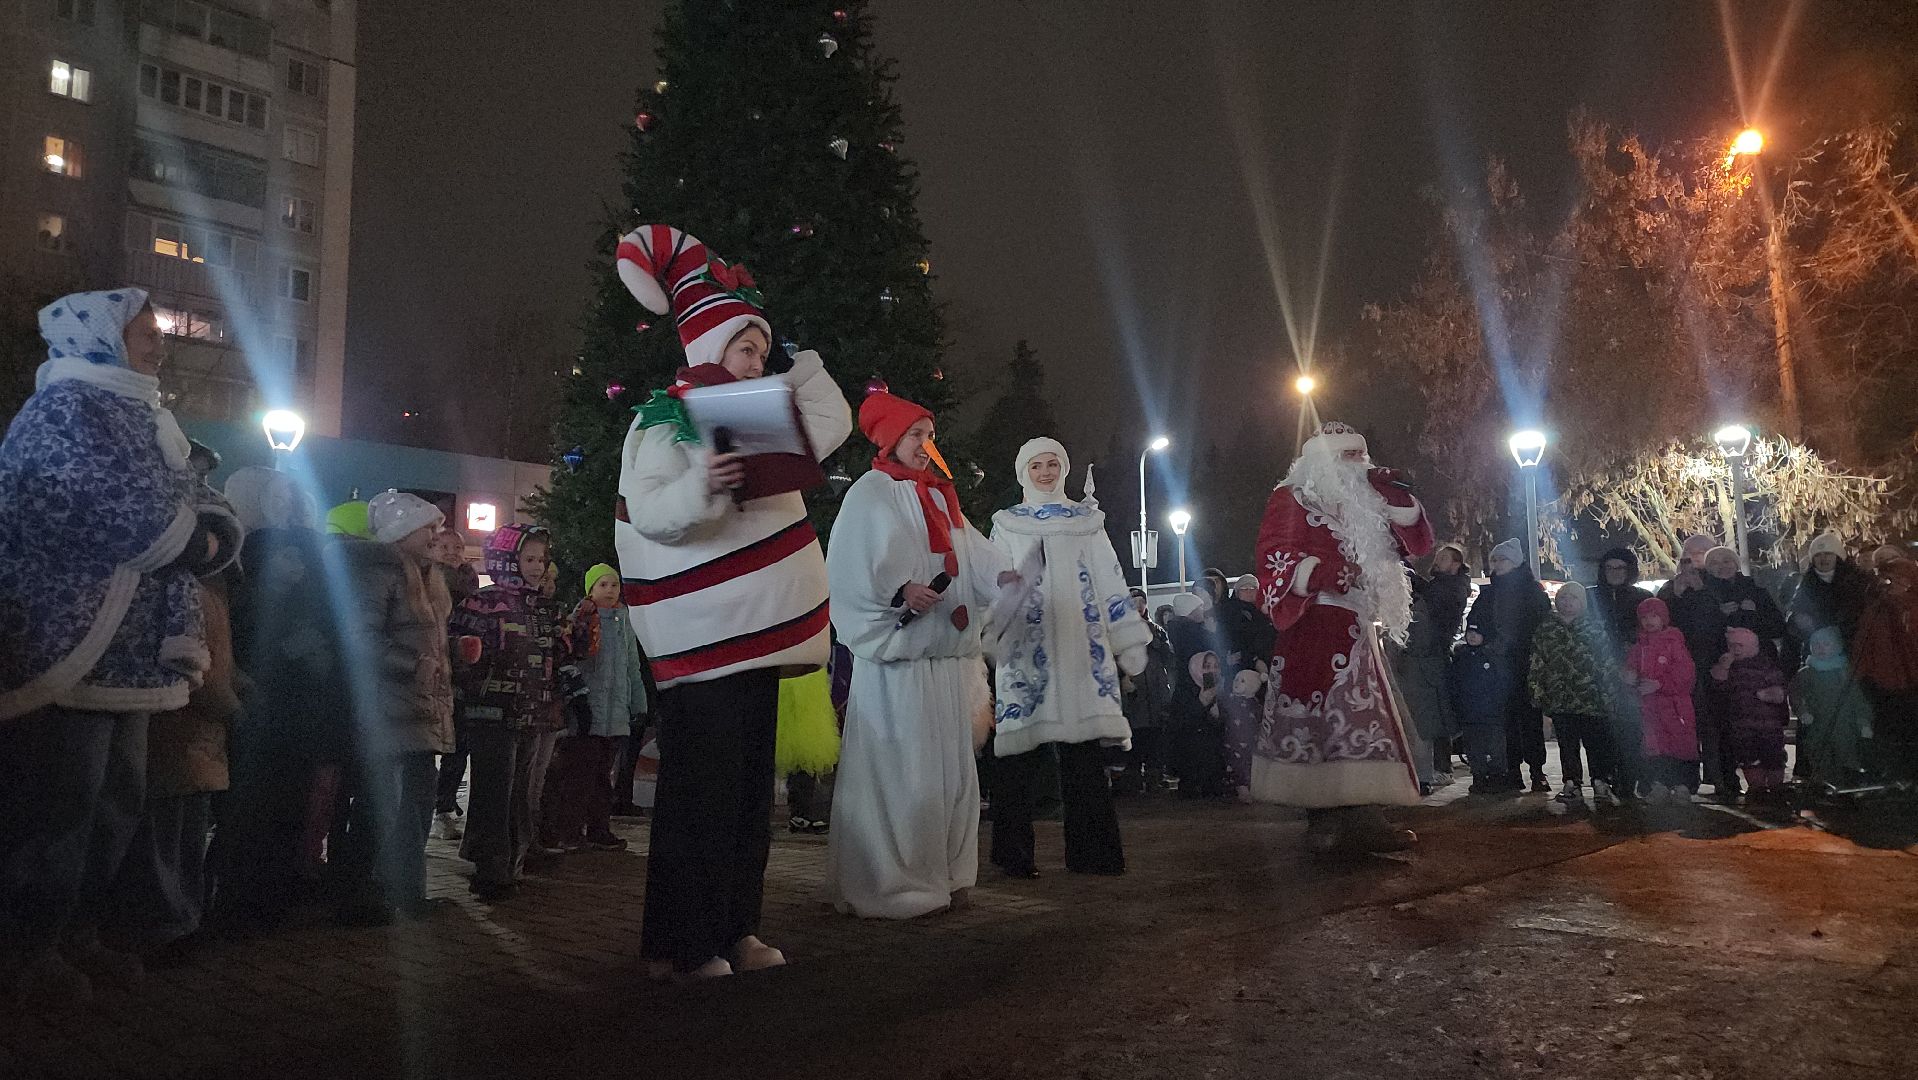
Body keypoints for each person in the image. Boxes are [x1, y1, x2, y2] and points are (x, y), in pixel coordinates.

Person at [614, 225, 851, 976]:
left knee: (750, 798)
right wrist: (701, 487)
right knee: (700, 799)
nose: (759, 360)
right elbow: (649, 512)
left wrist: (788, 357)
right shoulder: (661, 416)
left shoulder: (756, 416)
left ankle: (735, 927)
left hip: (762, 639)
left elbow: (833, 425)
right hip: (704, 642)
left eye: (761, 349)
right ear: (710, 345)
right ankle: (678, 943)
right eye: (747, 349)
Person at [1, 289, 238, 1004]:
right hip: (63, 640)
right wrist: (196, 538)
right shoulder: (67, 411)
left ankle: (74, 934)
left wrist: (205, 534)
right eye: (146, 330)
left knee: (116, 802)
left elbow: (202, 502)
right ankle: (22, 949)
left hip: (125, 653)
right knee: (60, 807)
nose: (159, 343)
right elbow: (132, 511)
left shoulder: (144, 417)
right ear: (102, 335)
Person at [825, 388, 1011, 918]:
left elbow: (973, 552)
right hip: (898, 665)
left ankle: (948, 872)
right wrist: (899, 592)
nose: (925, 445)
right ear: (891, 438)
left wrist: (1004, 577)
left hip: (945, 664)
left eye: (929, 436)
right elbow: (850, 566)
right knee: (903, 771)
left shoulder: (939, 495)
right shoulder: (868, 494)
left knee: (951, 775)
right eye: (915, 435)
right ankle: (894, 880)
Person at [1250, 421, 1435, 856]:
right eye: (1345, 457)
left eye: (1360, 455)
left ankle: (1365, 815)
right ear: (1320, 462)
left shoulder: (1367, 503)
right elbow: (1273, 555)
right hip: (1314, 623)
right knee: (1319, 720)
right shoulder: (1293, 497)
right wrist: (1325, 571)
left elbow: (1419, 544)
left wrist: (1395, 498)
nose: (1357, 464)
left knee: (1364, 721)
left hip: (1360, 625)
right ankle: (1324, 816)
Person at [987, 437, 1147, 878]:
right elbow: (992, 580)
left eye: (1052, 464)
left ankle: (1094, 854)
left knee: (1084, 759)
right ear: (1023, 472)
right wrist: (991, 629)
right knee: (1017, 758)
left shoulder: (1087, 522)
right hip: (1026, 649)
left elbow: (1112, 581)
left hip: (1082, 651)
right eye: (1036, 465)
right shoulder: (1007, 524)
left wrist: (1127, 640)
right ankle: (1013, 856)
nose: (1045, 472)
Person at [106, 477, 244, 958]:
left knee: (185, 830)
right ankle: (166, 926)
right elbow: (190, 660)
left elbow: (220, 654)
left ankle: (182, 918)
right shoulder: (180, 583)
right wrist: (230, 705)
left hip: (198, 734)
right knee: (166, 834)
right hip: (178, 727)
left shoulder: (213, 584)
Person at [213, 470, 344, 932]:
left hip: (303, 691)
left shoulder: (308, 549)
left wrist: (320, 647)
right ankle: (242, 896)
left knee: (291, 795)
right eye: (278, 494)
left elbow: (327, 611)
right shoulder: (243, 549)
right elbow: (231, 614)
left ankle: (276, 890)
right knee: (252, 799)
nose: (288, 502)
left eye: (293, 494)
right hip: (259, 689)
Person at [332, 491, 455, 925]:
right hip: (386, 708)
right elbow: (360, 638)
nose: (435, 535)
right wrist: (413, 665)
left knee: (415, 804)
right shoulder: (378, 571)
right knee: (380, 804)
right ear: (402, 531)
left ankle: (405, 889)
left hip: (418, 707)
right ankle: (359, 893)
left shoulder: (426, 577)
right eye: (428, 527)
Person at [450, 524, 584, 903]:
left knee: (522, 793)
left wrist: (572, 643)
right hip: (492, 711)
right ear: (506, 560)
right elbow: (460, 651)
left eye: (541, 559)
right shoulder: (482, 603)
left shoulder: (544, 607)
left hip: (534, 711)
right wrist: (471, 670)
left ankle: (513, 861)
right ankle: (490, 863)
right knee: (494, 789)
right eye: (528, 559)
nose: (537, 566)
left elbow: (559, 657)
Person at [543, 564, 648, 853]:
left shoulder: (623, 620)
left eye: (614, 585)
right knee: (579, 774)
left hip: (615, 713)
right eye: (603, 585)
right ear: (591, 589)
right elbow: (575, 664)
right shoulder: (581, 620)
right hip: (588, 711)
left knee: (603, 774)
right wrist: (576, 702)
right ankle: (571, 830)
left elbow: (631, 665)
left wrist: (637, 701)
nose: (610, 591)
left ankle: (599, 828)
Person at [1693, 546, 1788, 800]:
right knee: (1725, 725)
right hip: (1722, 669)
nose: (1722, 566)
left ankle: (1773, 781)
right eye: (1715, 562)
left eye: (1727, 561)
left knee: (1765, 725)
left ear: (1736, 564)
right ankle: (1729, 782)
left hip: (1758, 668)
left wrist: (1752, 612)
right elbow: (1697, 633)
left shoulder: (1755, 590)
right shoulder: (1702, 593)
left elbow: (1777, 627)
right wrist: (1717, 616)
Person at [1467, 538, 1553, 793]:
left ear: (1515, 562)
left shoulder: (1532, 592)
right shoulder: (1489, 594)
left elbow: (1540, 625)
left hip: (1525, 663)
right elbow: (1476, 621)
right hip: (1496, 666)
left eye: (1501, 559)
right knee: (1506, 722)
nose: (1496, 564)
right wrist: (1478, 635)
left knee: (1530, 720)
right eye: (1493, 560)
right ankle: (1512, 770)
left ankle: (1537, 770)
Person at [1528, 583, 1618, 805]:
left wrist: (1610, 691)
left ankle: (1600, 781)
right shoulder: (1546, 629)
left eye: (1573, 598)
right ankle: (1571, 782)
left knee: (1595, 743)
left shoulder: (1595, 628)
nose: (1567, 602)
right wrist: (1537, 690)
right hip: (1560, 698)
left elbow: (1606, 662)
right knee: (1567, 744)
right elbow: (1538, 661)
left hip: (1591, 698)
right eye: (1564, 597)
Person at [1395, 543, 1471, 790]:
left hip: (1430, 658)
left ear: (1456, 564)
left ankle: (1439, 768)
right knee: (1431, 714)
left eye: (1443, 558)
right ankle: (1436, 767)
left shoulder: (1451, 589)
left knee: (1432, 715)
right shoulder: (1442, 586)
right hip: (1427, 658)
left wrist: (1405, 570)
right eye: (1437, 556)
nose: (1437, 561)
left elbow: (1428, 596)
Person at [1590, 547, 1655, 796]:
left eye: (1620, 568)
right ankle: (1604, 777)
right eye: (1609, 567)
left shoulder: (1642, 597)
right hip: (1601, 670)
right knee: (1603, 729)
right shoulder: (1592, 597)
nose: (1614, 573)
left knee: (1633, 727)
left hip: (1633, 671)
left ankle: (1633, 778)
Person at [1624, 597, 1699, 804]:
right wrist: (1628, 676)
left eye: (1654, 616)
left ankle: (1682, 785)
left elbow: (1686, 673)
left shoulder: (1673, 642)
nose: (1649, 621)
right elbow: (1631, 668)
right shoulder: (1639, 647)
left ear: (1663, 618)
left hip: (1675, 708)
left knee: (1680, 745)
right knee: (1654, 746)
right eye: (1645, 617)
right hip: (1649, 708)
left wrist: (1661, 684)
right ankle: (1658, 784)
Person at [1851, 559, 1918, 781]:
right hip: (1884, 680)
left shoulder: (1912, 607)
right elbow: (1864, 643)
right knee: (1889, 729)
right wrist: (1862, 675)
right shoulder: (1877, 608)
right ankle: (1894, 774)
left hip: (1912, 678)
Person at [1711, 627, 1789, 801]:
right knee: (1748, 757)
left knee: (1773, 755)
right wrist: (1723, 668)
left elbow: (1779, 687)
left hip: (1768, 722)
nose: (1736, 650)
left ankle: (1776, 787)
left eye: (1740, 645)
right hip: (1741, 723)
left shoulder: (1765, 665)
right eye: (1732, 646)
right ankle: (1756, 787)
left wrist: (1771, 694)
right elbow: (1718, 686)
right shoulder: (1730, 667)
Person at [1790, 627, 1874, 787]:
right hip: (1817, 726)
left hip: (1845, 726)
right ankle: (1823, 787)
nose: (1821, 648)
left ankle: (1847, 789)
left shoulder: (1845, 672)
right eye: (1816, 644)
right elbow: (1795, 695)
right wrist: (1802, 712)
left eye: (1826, 644)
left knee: (1847, 757)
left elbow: (1857, 699)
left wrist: (1864, 721)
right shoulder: (1806, 673)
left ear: (1836, 646)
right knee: (1820, 758)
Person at [1116, 590, 1174, 795]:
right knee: (1134, 736)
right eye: (1134, 602)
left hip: (1156, 691)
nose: (1138, 605)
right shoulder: (1119, 631)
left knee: (1155, 736)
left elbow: (1168, 657)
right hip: (1134, 691)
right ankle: (1132, 779)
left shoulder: (1157, 630)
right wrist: (1123, 677)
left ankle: (1154, 777)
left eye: (1141, 601)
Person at [1450, 624, 1513, 794]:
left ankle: (1497, 776)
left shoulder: (1493, 657)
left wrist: (1499, 704)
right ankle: (1478, 775)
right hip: (1469, 713)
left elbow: (1502, 683)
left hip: (1492, 712)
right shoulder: (1462, 657)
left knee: (1495, 745)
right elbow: (1455, 684)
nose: (1472, 636)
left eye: (1477, 633)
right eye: (1470, 632)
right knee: (1473, 747)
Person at [1788, 531, 1871, 657]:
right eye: (1818, 555)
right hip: (1818, 653)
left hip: (1852, 651)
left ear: (1838, 556)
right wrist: (1798, 621)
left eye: (1828, 554)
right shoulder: (1807, 584)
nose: (1823, 559)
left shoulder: (1857, 581)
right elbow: (1794, 620)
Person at [1168, 651, 1229, 798]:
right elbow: (1179, 724)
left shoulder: (1222, 690)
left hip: (1214, 760)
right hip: (1189, 758)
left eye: (1215, 666)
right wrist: (1201, 703)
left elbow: (1224, 726)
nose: (1212, 671)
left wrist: (1217, 710)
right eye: (1207, 666)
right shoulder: (1184, 691)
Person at [1216, 573, 1277, 677]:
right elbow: (1236, 637)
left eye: (1253, 588)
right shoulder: (1231, 611)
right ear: (1237, 592)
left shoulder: (1263, 611)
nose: (1249, 591)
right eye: (1244, 588)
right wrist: (1253, 659)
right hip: (1242, 667)